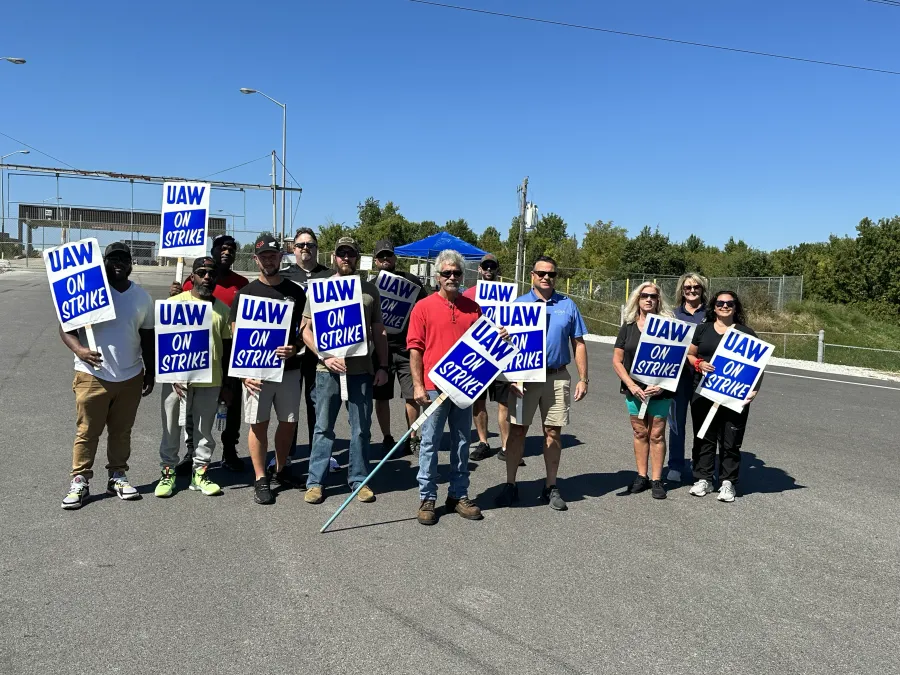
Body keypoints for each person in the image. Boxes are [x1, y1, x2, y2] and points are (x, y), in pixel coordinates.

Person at [59, 242, 154, 510]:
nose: (118, 263)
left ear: (131, 264)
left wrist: (151, 371)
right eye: (112, 258)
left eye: (123, 258)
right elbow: (65, 328)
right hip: (92, 374)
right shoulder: (88, 293)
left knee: (121, 431)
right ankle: (80, 481)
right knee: (87, 431)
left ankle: (117, 477)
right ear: (103, 262)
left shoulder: (142, 297)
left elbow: (147, 337)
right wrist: (80, 350)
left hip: (130, 376)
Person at [494, 256, 589, 512]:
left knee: (553, 432)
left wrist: (583, 378)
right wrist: (510, 372)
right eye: (541, 273)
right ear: (532, 275)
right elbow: (502, 347)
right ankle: (511, 484)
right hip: (524, 379)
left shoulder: (567, 305)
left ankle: (550, 486)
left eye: (551, 274)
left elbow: (578, 343)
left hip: (557, 376)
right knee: (517, 432)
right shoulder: (517, 305)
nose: (546, 277)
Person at [301, 236, 389, 505]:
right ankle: (315, 481)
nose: (346, 258)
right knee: (323, 427)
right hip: (327, 371)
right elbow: (306, 331)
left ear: (357, 257)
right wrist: (326, 357)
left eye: (350, 253)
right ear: (334, 258)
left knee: (361, 429)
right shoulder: (319, 289)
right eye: (341, 254)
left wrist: (383, 366)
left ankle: (359, 479)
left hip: (361, 370)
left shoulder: (369, 291)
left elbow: (379, 331)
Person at [408, 249, 486, 525]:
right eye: (446, 273)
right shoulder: (423, 307)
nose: (452, 277)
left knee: (462, 442)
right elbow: (415, 349)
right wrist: (418, 386)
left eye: (456, 273)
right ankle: (427, 497)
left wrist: (500, 337)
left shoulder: (472, 308)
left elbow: (484, 347)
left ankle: (458, 495)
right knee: (429, 443)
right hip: (433, 388)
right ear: (438, 276)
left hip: (464, 388)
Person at [229, 234, 306, 505]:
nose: (269, 259)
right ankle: (261, 477)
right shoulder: (245, 294)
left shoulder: (296, 292)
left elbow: (305, 329)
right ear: (256, 259)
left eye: (273, 255)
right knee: (258, 424)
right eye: (264, 256)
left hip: (289, 369)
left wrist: (295, 347)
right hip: (256, 374)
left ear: (280, 257)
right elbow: (236, 333)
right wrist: (243, 373)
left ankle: (281, 469)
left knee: (288, 423)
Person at [155, 257, 234, 498]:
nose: (207, 277)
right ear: (193, 277)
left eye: (211, 273)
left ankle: (200, 473)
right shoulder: (175, 303)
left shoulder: (222, 309)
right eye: (201, 272)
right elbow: (162, 343)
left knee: (204, 432)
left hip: (211, 382)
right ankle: (167, 473)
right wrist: (171, 374)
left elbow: (227, 350)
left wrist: (228, 385)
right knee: (170, 430)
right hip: (176, 382)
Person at [170, 235, 248, 473]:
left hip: (227, 352)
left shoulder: (242, 283)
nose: (227, 251)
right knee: (192, 410)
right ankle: (191, 452)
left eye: (231, 249)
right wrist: (172, 297)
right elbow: (176, 315)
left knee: (230, 406)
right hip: (193, 358)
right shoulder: (186, 283)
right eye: (222, 248)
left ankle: (230, 450)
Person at [687, 290, 761, 503]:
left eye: (729, 303)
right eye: (720, 303)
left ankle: (728, 482)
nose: (724, 306)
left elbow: (759, 366)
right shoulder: (703, 329)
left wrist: (754, 390)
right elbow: (690, 355)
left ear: (735, 307)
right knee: (704, 436)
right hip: (703, 392)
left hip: (734, 394)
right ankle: (703, 478)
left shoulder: (746, 333)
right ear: (714, 306)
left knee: (731, 440)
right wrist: (699, 364)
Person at [612, 282, 674, 500]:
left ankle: (657, 479)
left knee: (656, 434)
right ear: (637, 299)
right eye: (644, 296)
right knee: (640, 432)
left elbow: (675, 361)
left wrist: (662, 384)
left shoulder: (669, 328)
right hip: (634, 391)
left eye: (653, 297)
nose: (649, 299)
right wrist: (631, 385)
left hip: (660, 391)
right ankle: (642, 476)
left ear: (659, 301)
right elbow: (617, 360)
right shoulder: (628, 327)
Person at [369, 238, 428, 457]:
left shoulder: (411, 282)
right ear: (376, 261)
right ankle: (387, 437)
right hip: (380, 350)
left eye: (389, 255)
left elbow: (425, 309)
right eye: (381, 256)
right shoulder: (372, 286)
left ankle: (412, 436)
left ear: (395, 258)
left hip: (406, 349)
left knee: (411, 395)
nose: (385, 259)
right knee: (381, 397)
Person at [282, 227, 332, 459]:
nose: (305, 249)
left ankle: (319, 454)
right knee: (289, 408)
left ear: (316, 249)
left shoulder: (330, 276)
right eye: (301, 245)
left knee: (317, 405)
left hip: (317, 350)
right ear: (293, 249)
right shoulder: (284, 276)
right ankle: (287, 454)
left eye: (310, 245)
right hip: (290, 351)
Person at [462, 253, 513, 463]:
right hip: (479, 354)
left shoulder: (509, 295)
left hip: (502, 355)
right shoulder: (469, 294)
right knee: (479, 401)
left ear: (497, 270)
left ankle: (507, 446)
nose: (489, 270)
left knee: (504, 403)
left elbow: (517, 323)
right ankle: (483, 442)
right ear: (480, 269)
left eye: (493, 267)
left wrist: (510, 331)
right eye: (486, 267)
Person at [666, 273, 708, 482]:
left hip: (704, 378)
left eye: (696, 287)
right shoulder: (672, 315)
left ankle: (700, 467)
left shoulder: (711, 315)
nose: (692, 291)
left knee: (702, 425)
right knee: (676, 423)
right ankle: (675, 464)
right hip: (677, 378)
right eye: (687, 288)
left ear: (702, 290)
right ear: (681, 290)